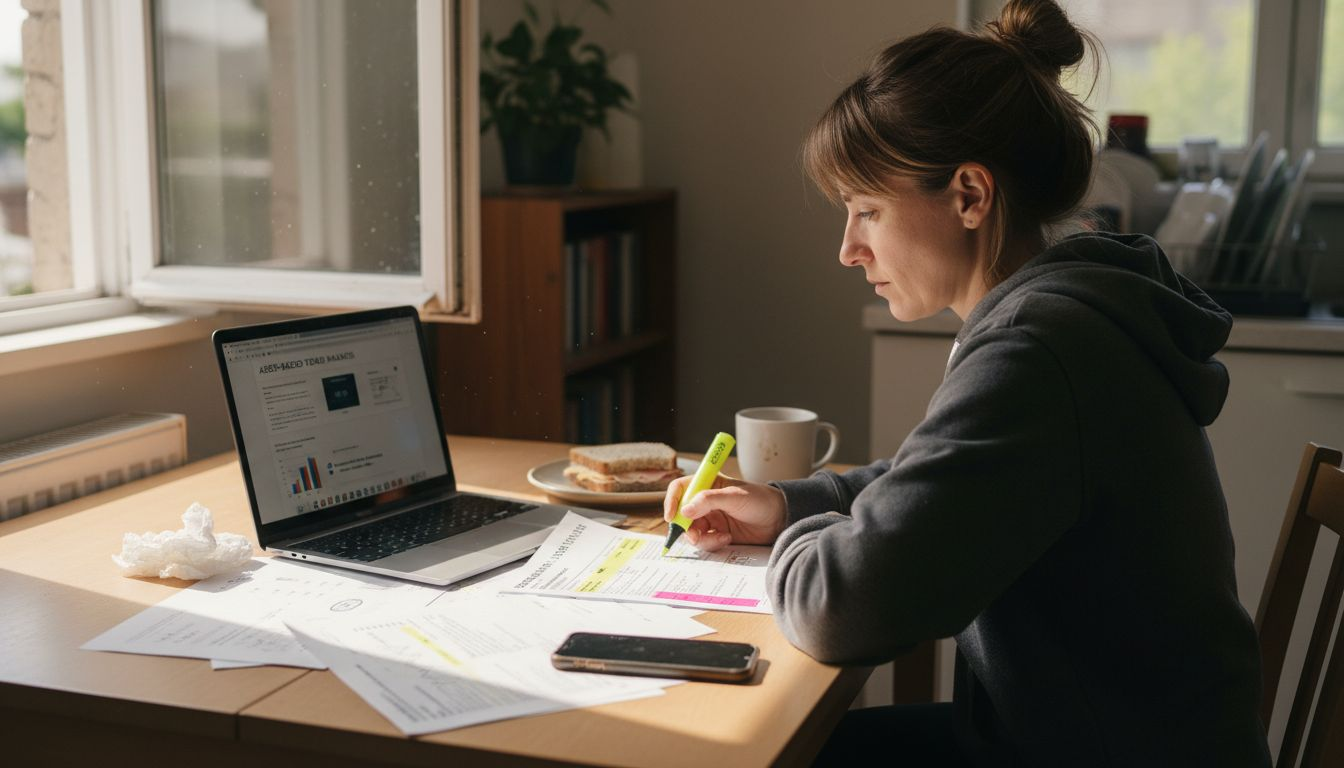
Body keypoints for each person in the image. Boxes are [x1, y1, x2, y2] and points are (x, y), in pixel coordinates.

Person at [662, 1, 1271, 765]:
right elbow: (939, 479)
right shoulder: (1062, 312)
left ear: (970, 196)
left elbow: (848, 606)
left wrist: (799, 543)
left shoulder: (1039, 351)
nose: (848, 250)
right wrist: (790, 503)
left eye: (867, 211)